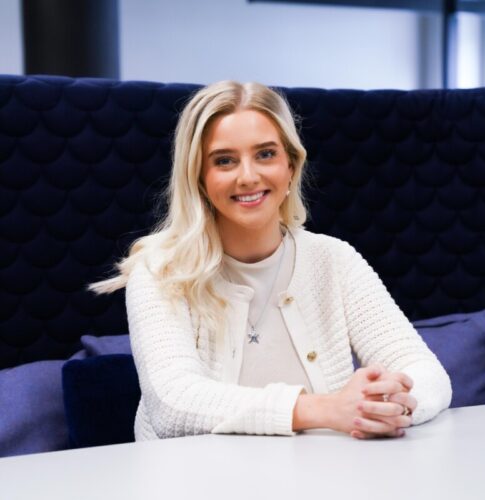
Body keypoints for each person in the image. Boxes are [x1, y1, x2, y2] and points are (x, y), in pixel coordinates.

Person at [91, 81, 451, 440]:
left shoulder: (334, 260)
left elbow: (427, 373)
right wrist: (324, 409)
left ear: (291, 167)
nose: (248, 177)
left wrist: (390, 406)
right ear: (199, 177)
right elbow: (173, 405)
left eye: (265, 154)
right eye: (224, 160)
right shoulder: (160, 271)